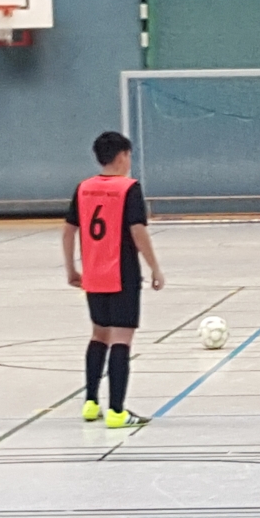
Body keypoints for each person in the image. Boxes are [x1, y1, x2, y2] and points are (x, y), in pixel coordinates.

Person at [63, 132, 163, 429]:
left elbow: (68, 230)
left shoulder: (84, 188)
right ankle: (117, 411)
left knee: (99, 334)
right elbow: (137, 231)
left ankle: (91, 402)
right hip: (122, 274)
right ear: (122, 156)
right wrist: (155, 267)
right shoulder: (129, 188)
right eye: (129, 155)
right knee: (121, 338)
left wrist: (71, 269)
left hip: (93, 275)